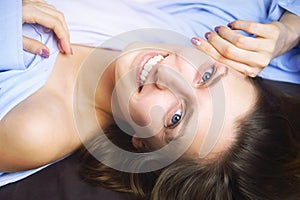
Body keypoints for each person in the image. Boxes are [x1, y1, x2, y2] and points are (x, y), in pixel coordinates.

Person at [0, 0, 299, 199]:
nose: (168, 74)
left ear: (145, 147)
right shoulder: (202, 29)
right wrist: (286, 33)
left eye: (176, 117)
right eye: (207, 76)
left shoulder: (32, 130)